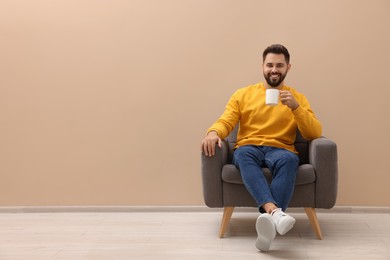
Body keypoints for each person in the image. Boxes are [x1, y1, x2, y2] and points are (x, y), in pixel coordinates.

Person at [200, 44, 322, 251]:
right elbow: (226, 121)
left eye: (279, 65)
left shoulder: (297, 98)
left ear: (288, 68)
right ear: (262, 67)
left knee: (290, 159)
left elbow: (314, 133)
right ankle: (275, 214)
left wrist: (296, 108)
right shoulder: (243, 94)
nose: (274, 70)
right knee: (244, 154)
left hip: (281, 150)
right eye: (270, 65)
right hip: (249, 147)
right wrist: (213, 132)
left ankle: (269, 220)